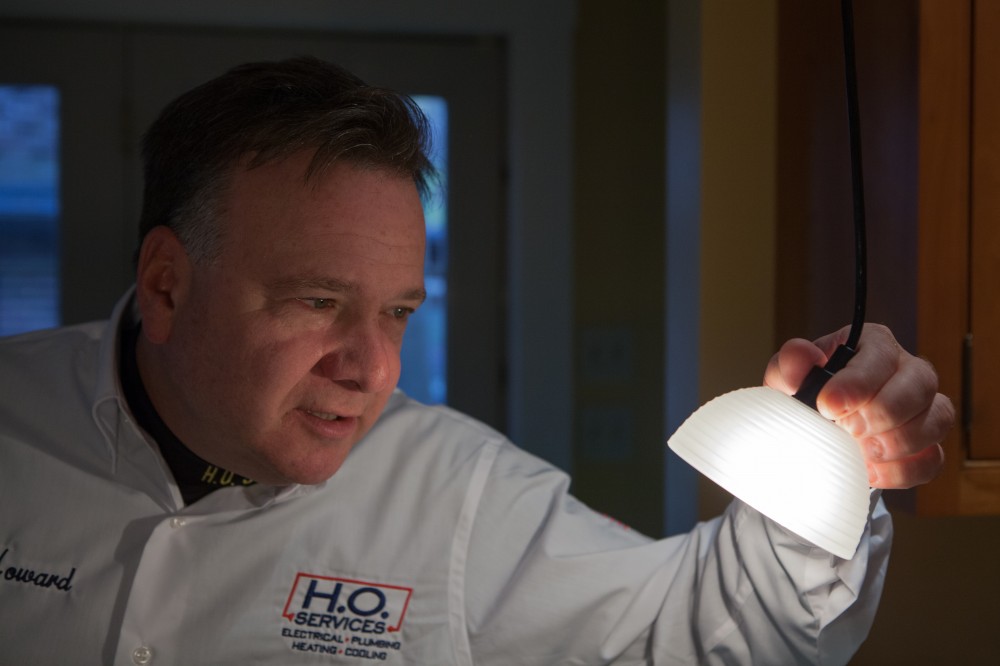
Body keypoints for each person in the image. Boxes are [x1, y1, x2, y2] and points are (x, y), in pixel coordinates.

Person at [0, 56, 952, 665]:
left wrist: (835, 466)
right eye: (318, 303)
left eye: (399, 314)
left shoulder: (460, 494)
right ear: (166, 285)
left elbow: (721, 629)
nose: (372, 370)